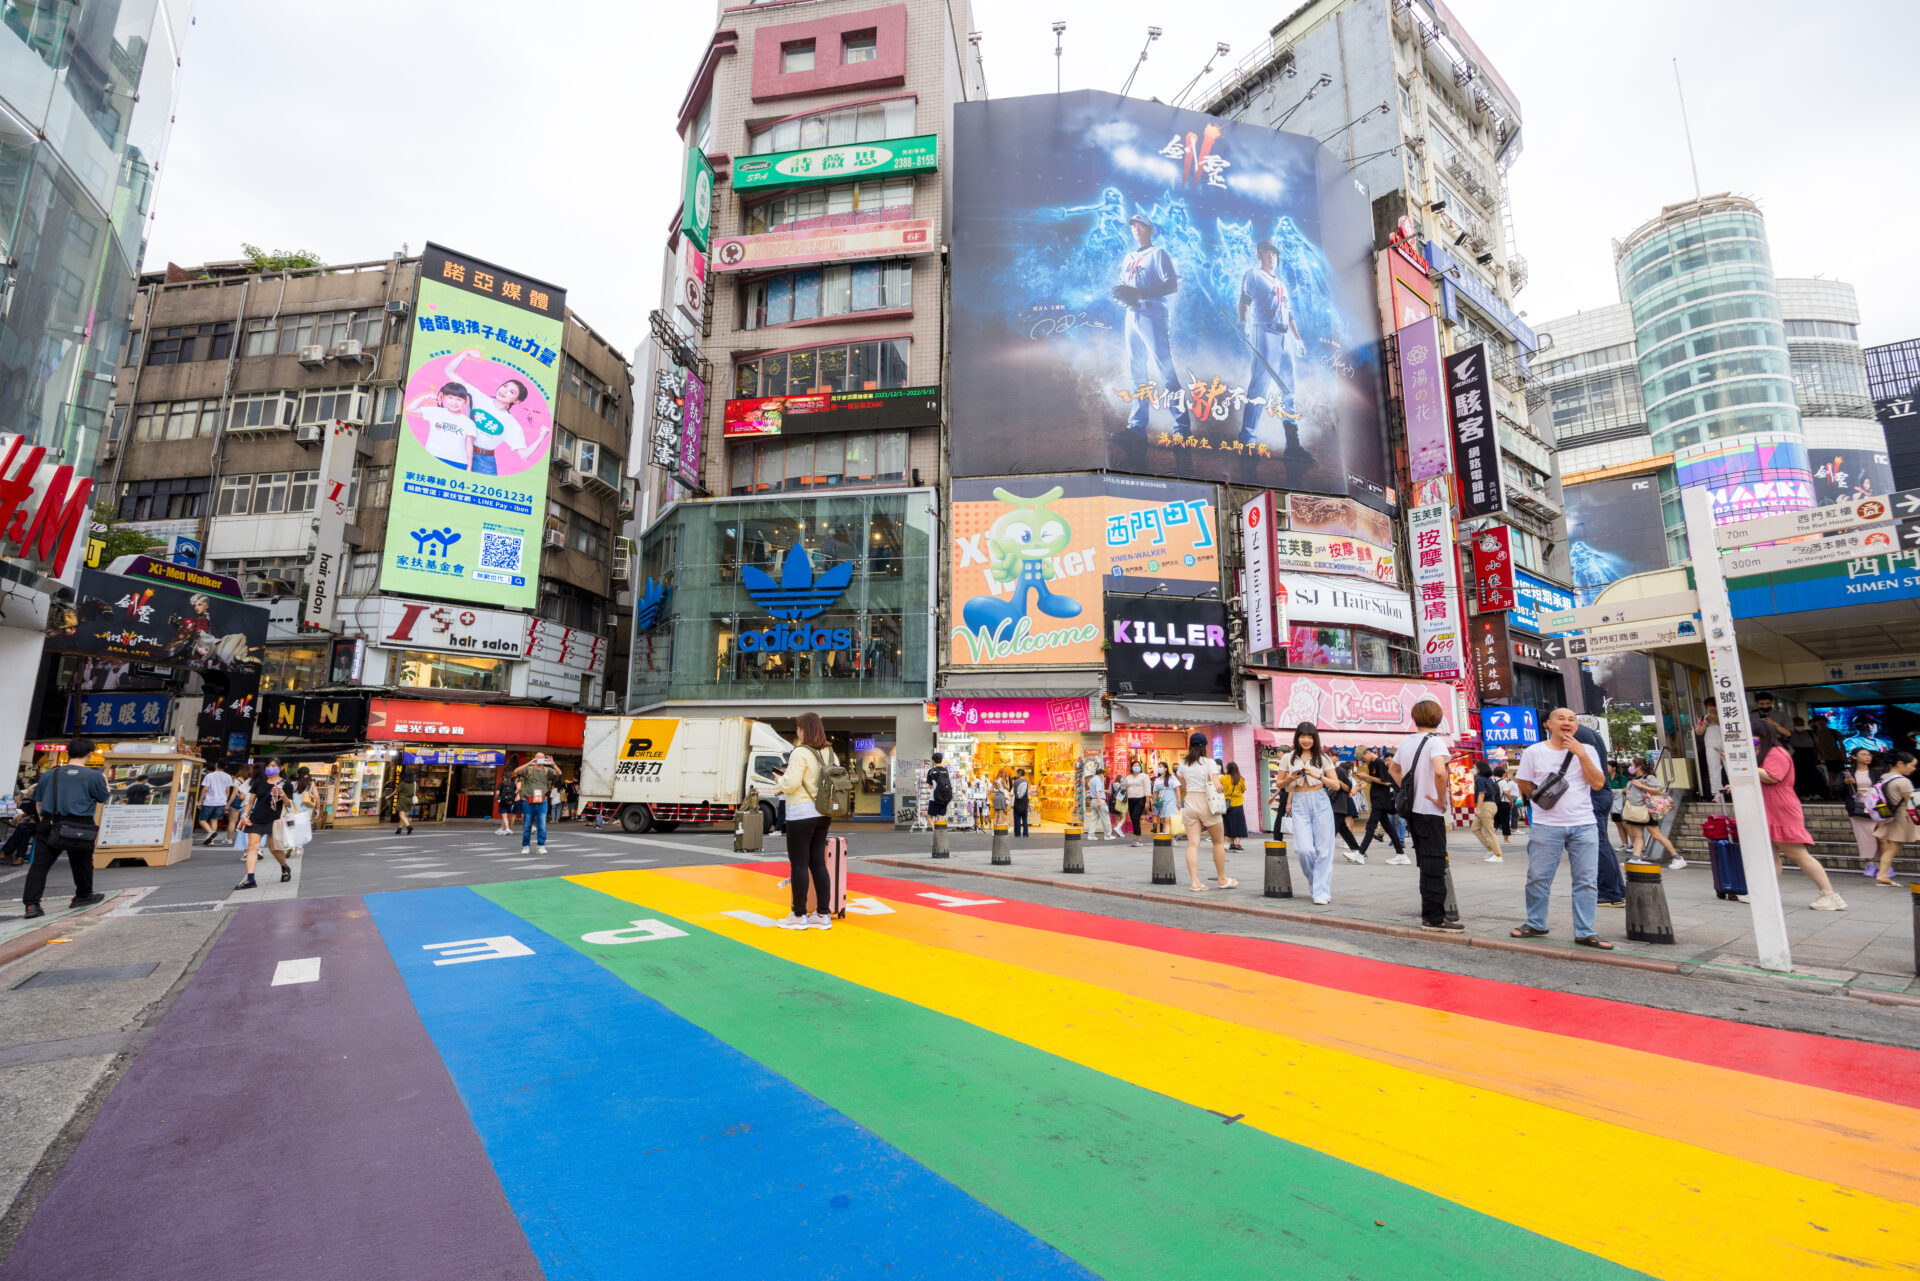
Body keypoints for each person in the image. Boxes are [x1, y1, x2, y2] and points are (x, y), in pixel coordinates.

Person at [1512, 708, 1612, 948]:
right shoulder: (1534, 752)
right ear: (1549, 724)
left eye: (1572, 720)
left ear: (1576, 727)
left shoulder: (1587, 750)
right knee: (1537, 877)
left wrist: (1581, 754)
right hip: (1547, 825)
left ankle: (1585, 931)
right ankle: (1535, 922)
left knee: (1586, 880)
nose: (1567, 722)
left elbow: (1598, 783)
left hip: (1584, 824)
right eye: (1561, 718)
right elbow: (1523, 781)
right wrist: (1541, 799)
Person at [1113, 214, 1193, 437]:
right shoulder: (1129, 257)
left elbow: (1172, 285)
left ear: (1150, 230)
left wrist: (1141, 292)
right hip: (1131, 314)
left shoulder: (1158, 253)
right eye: (1133, 226)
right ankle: (1137, 427)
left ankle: (1182, 428)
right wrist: (1123, 295)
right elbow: (1123, 287)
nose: (1136, 229)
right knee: (1136, 370)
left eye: (1141, 225)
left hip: (1152, 312)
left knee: (1165, 370)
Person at [1754, 719, 1847, 910]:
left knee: (1797, 854)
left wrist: (1742, 763)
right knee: (1770, 854)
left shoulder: (1775, 752)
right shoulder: (1764, 753)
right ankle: (1766, 892)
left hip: (1780, 809)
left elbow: (1772, 776)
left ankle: (1830, 895)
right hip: (1770, 808)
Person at [21, 739, 109, 920]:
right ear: (89, 754)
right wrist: (105, 782)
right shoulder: (94, 776)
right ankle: (83, 896)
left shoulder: (49, 775)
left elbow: (38, 802)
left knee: (40, 866)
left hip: (51, 822)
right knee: (82, 862)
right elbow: (103, 797)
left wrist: (45, 820)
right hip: (80, 823)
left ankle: (32, 905)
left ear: (68, 752)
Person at [1390, 703, 1458, 931]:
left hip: (1413, 811)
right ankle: (1434, 918)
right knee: (1435, 864)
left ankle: (1431, 913)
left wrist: (1408, 791)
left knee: (1425, 863)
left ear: (1414, 717)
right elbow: (1440, 771)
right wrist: (1441, 799)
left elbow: (1393, 770)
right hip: (1430, 811)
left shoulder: (1407, 742)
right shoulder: (1435, 742)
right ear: (1439, 718)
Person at [774, 712, 838, 931]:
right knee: (818, 864)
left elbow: (791, 783)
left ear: (805, 730)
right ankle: (822, 914)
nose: (797, 732)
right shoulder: (829, 752)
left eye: (799, 728)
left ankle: (799, 914)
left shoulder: (800, 752)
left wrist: (779, 780)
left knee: (799, 864)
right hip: (824, 812)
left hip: (801, 814)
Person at [1236, 239, 1295, 444]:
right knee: (1259, 386)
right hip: (1266, 331)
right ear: (1259, 254)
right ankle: (1247, 438)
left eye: (1274, 253)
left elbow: (1289, 313)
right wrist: (1243, 323)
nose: (1272, 256)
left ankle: (1293, 444)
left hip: (1284, 336)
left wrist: (1298, 338)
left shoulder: (1280, 284)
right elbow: (1245, 300)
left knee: (1288, 388)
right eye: (1267, 252)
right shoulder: (1254, 274)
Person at [1278, 723, 1340, 903]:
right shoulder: (1288, 758)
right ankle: (1316, 883)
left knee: (1324, 850)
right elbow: (1279, 784)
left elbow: (1335, 785)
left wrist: (1317, 775)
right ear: (1297, 737)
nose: (1306, 740)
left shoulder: (1322, 758)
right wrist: (1291, 777)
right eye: (1302, 736)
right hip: (1299, 802)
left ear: (1315, 738)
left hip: (1320, 801)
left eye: (1310, 737)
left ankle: (1321, 892)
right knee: (1303, 849)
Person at [1572, 720, 1627, 910]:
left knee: (1596, 843)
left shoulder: (1579, 736)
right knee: (1601, 842)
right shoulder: (1590, 733)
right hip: (1601, 794)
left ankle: (1609, 893)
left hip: (1593, 794)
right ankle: (1618, 891)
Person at [1173, 732, 1234, 893]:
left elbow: (1183, 785)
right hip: (1207, 802)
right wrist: (1223, 787)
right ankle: (1222, 878)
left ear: (1190, 745)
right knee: (1218, 842)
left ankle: (1195, 882)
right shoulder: (1209, 763)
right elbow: (1216, 785)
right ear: (1205, 747)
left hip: (1190, 803)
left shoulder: (1183, 764)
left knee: (1192, 844)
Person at [234, 764, 292, 891]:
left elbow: (288, 804)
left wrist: (283, 795)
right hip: (256, 819)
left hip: (274, 821)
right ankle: (250, 879)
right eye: (269, 766)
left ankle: (285, 867)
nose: (271, 768)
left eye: (274, 766)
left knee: (274, 849)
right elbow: (250, 802)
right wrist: (244, 815)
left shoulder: (286, 784)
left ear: (281, 768)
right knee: (252, 847)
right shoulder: (258, 783)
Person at [1619, 758, 1684, 868]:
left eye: (1632, 765)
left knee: (1656, 835)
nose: (1630, 767)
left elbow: (1659, 791)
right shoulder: (1634, 779)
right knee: (1637, 836)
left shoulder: (1649, 778)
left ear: (1638, 767)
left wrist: (1641, 786)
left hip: (1648, 811)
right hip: (1636, 811)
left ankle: (1677, 857)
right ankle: (1636, 858)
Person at [1869, 750, 1916, 887]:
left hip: (1893, 817)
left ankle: (1883, 874)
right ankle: (1883, 874)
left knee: (1893, 846)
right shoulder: (1903, 781)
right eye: (1911, 765)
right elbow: (1912, 802)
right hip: (1907, 818)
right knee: (1894, 846)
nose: (1913, 769)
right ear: (1900, 763)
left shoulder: (1884, 777)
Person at [1353, 747, 1407, 863]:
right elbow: (1377, 781)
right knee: (1389, 829)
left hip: (1381, 800)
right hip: (1377, 799)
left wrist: (1367, 777)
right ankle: (1401, 854)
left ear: (1367, 752)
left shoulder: (1380, 763)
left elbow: (1386, 782)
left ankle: (1360, 853)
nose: (1364, 760)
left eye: (1363, 758)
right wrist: (1365, 779)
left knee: (1371, 826)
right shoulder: (1372, 764)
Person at [1843, 746, 1882, 879]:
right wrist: (1846, 783)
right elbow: (1836, 789)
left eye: (1869, 754)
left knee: (1882, 835)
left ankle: (1885, 865)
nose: (1867, 757)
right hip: (1858, 806)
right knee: (1864, 836)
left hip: (1876, 805)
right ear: (1854, 757)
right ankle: (1870, 864)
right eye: (1863, 754)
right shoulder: (1847, 773)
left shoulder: (1876, 772)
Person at [513, 752, 561, 854]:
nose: (540, 758)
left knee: (542, 825)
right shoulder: (529, 769)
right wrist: (529, 763)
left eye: (542, 757)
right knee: (527, 825)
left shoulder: (547, 770)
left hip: (542, 801)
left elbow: (559, 773)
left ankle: (541, 846)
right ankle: (526, 846)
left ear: (544, 759)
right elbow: (516, 771)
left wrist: (553, 764)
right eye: (538, 757)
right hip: (528, 801)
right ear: (535, 758)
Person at [1332, 757, 1365, 862]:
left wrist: (1339, 783)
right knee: (1344, 828)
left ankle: (1323, 852)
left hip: (1342, 804)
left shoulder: (1342, 774)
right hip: (1340, 804)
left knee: (1333, 829)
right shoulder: (1338, 774)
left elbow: (1349, 789)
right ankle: (1357, 850)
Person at [1471, 761, 1503, 862]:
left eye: (1474, 767)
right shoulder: (1488, 779)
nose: (1473, 769)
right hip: (1491, 805)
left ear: (1479, 769)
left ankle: (1498, 855)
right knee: (1475, 828)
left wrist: (1478, 809)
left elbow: (1481, 794)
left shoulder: (1480, 779)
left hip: (1486, 806)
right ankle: (1490, 848)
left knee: (1489, 831)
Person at [196, 761, 233, 846]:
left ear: (216, 764)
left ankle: (210, 832)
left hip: (209, 801)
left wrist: (201, 799)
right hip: (221, 802)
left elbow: (205, 789)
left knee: (202, 820)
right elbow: (227, 791)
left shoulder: (209, 776)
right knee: (214, 820)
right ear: (226, 766)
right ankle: (211, 840)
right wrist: (225, 801)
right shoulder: (228, 776)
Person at [1789, 718, 1823, 800]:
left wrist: (1822, 755)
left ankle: (1815, 793)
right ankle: (1803, 794)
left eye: (1801, 723)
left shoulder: (1810, 733)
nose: (1800, 725)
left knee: (1813, 773)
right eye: (1797, 723)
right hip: (1795, 754)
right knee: (1799, 774)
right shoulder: (1789, 733)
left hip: (1809, 754)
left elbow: (1817, 745)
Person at [1222, 762, 1249, 852]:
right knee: (1239, 824)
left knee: (1228, 823)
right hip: (1238, 804)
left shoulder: (1223, 778)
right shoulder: (1240, 779)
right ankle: (1237, 843)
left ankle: (1231, 843)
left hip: (1226, 804)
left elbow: (1219, 789)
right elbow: (1243, 790)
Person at [1700, 709, 1727, 801]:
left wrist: (1717, 720)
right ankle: (1717, 793)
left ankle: (1736, 790)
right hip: (1711, 746)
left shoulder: (1726, 713)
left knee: (1731, 768)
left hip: (1726, 744)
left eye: (1714, 705)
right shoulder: (1704, 718)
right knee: (1714, 769)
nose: (1712, 708)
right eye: (1709, 706)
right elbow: (1698, 731)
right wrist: (1705, 724)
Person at [1082, 764, 1113, 840]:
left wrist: (1106, 791)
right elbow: (1097, 791)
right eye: (1103, 775)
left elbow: (1096, 790)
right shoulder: (1098, 779)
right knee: (1105, 818)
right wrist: (1099, 801)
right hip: (1099, 800)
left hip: (1093, 800)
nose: (1103, 777)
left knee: (1094, 819)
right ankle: (1108, 835)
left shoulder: (1092, 779)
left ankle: (1091, 835)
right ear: (1101, 774)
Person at [1124, 760, 1150, 845]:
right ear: (1131, 767)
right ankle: (1138, 838)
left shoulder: (1144, 776)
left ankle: (1137, 839)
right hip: (1130, 799)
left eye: (1138, 765)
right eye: (1135, 765)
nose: (1136, 767)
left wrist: (1147, 801)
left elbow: (1147, 789)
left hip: (1140, 799)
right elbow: (1125, 788)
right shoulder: (1128, 777)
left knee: (1135, 818)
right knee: (1133, 819)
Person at [925, 752, 953, 824]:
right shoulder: (945, 771)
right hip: (945, 797)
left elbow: (930, 786)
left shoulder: (931, 771)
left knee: (929, 816)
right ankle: (940, 832)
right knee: (940, 816)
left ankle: (935, 830)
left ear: (933, 761)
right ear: (941, 760)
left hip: (934, 798)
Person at [1153, 764, 1179, 837]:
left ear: (1166, 769)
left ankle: (1167, 838)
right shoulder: (1157, 780)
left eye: (1161, 767)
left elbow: (1177, 790)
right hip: (1162, 802)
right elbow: (1155, 793)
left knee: (1167, 819)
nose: (1159, 768)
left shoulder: (1172, 778)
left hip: (1171, 801)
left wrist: (1179, 802)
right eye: (1159, 767)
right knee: (1164, 821)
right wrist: (1154, 803)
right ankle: (1171, 837)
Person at [1493, 765, 1517, 839]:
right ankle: (1506, 840)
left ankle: (1491, 837)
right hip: (1504, 803)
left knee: (1496, 821)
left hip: (1494, 803)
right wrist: (1511, 800)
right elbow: (1506, 793)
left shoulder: (1491, 781)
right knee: (1505, 821)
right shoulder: (1503, 782)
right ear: (1502, 773)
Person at [394, 768, 418, 837]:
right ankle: (399, 829)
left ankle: (409, 827)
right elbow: (416, 791)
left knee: (401, 815)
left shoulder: (403, 783)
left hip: (403, 800)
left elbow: (396, 791)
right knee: (404, 815)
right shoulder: (415, 784)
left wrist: (389, 796)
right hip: (410, 801)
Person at [495, 769, 519, 835]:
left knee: (504, 816)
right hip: (510, 802)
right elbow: (516, 792)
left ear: (504, 777)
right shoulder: (513, 784)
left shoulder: (502, 784)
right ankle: (502, 828)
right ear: (511, 777)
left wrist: (497, 797)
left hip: (503, 801)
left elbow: (497, 792)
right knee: (505, 815)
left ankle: (507, 829)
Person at [1011, 768, 1031, 838]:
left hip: (1017, 803)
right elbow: (1028, 794)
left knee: (1017, 819)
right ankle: (1025, 834)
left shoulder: (1015, 782)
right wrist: (1028, 805)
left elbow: (1013, 793)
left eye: (1016, 773)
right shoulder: (1026, 782)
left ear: (1019, 774)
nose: (1016, 775)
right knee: (1025, 820)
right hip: (1024, 803)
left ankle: (1017, 833)